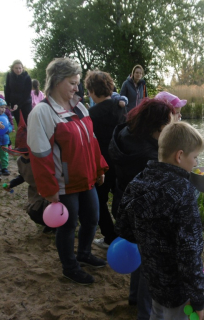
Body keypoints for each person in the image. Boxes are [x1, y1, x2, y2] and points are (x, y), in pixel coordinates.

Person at [27, 58, 109, 285]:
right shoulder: (42, 113)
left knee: (93, 217)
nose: (76, 87)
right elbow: (40, 155)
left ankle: (83, 254)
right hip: (63, 184)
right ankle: (69, 267)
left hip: (87, 178)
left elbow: (92, 141)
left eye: (77, 83)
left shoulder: (79, 106)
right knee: (68, 225)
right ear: (56, 81)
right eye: (72, 83)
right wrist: (49, 189)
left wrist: (99, 167)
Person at [115, 121, 204, 320]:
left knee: (156, 314)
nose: (196, 163)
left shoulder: (139, 180)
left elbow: (123, 227)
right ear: (180, 155)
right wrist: (198, 296)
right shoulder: (184, 192)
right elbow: (190, 250)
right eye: (195, 157)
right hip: (178, 290)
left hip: (152, 279)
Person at [108, 98, 175, 319]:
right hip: (144, 212)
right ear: (156, 124)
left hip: (123, 202)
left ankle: (134, 297)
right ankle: (144, 313)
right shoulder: (148, 154)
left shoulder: (125, 133)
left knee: (139, 252)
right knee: (150, 262)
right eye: (168, 123)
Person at [85, 70, 126, 249]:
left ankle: (110, 236)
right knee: (120, 199)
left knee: (99, 201)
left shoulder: (92, 113)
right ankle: (124, 234)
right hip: (121, 161)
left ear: (92, 91)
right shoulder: (121, 107)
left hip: (102, 163)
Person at [2, 113, 54, 233]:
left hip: (48, 190)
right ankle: (49, 223)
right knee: (34, 212)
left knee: (50, 208)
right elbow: (23, 176)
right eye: (23, 152)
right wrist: (11, 184)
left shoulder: (41, 160)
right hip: (35, 191)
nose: (25, 154)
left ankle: (55, 224)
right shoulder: (21, 161)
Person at [4, 60, 32, 125]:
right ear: (12, 68)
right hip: (14, 102)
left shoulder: (27, 77)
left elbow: (27, 93)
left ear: (23, 68)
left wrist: (19, 104)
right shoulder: (9, 76)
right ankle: (21, 134)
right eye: (16, 68)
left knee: (28, 122)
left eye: (20, 68)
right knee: (19, 122)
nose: (18, 70)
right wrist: (7, 103)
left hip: (25, 102)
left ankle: (29, 134)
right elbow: (7, 89)